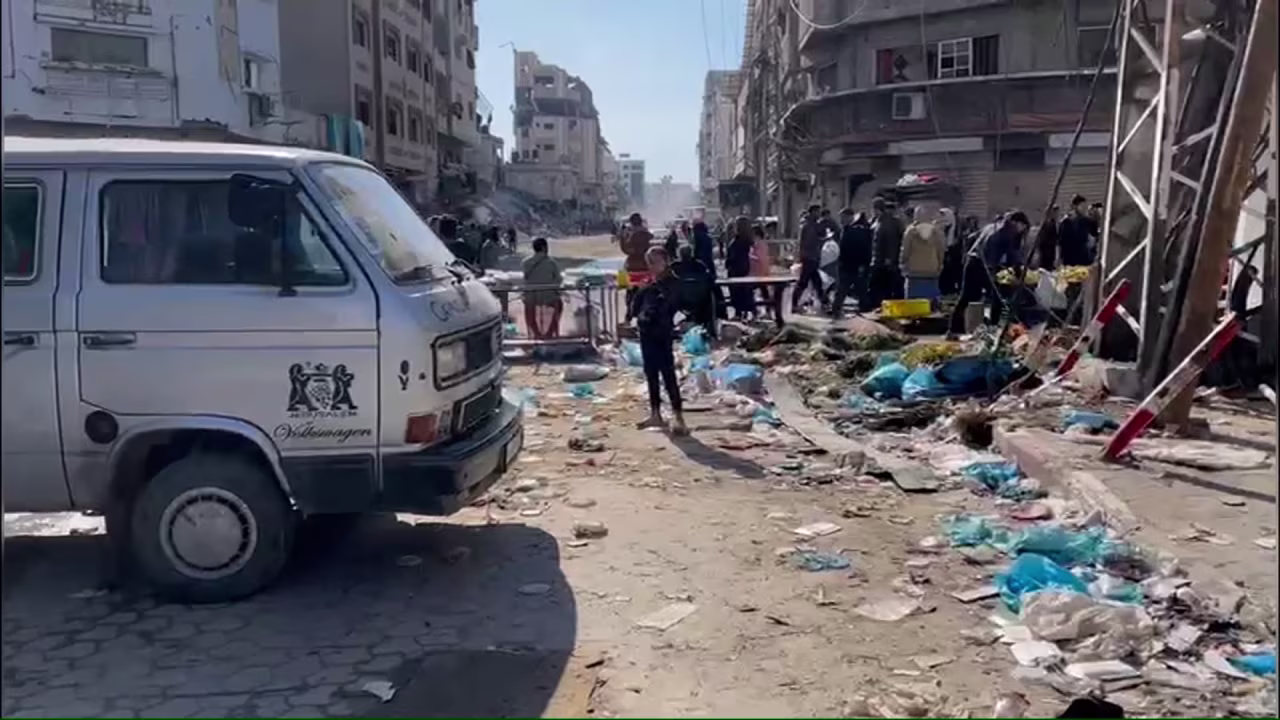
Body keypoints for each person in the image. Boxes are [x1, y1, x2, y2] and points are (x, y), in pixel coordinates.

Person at [630, 246, 688, 435]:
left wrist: (648, 294)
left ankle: (678, 416)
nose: (652, 266)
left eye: (655, 262)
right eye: (649, 262)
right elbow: (636, 307)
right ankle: (655, 413)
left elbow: (668, 305)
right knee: (651, 374)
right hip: (646, 332)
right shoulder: (650, 283)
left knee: (668, 374)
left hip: (662, 333)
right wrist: (638, 293)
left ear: (665, 261)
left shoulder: (671, 283)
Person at [947, 211, 1030, 338]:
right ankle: (993, 328)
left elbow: (971, 238)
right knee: (997, 296)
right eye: (1022, 226)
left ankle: (954, 329)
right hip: (984, 265)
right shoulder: (1007, 232)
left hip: (972, 261)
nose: (1022, 230)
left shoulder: (992, 226)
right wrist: (1019, 273)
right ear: (1016, 223)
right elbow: (1012, 256)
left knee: (966, 297)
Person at [900, 204, 947, 305]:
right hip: (932, 270)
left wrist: (902, 264)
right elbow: (941, 251)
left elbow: (905, 251)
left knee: (913, 303)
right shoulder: (937, 232)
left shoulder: (910, 231)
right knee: (930, 301)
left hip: (914, 271)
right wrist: (939, 265)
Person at [830, 209, 872, 317]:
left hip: (854, 265)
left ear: (850, 217)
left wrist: (863, 263)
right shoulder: (846, 230)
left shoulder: (857, 231)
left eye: (843, 217)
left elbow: (863, 249)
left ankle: (864, 310)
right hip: (847, 265)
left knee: (857, 289)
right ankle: (836, 310)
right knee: (844, 289)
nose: (841, 220)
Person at [671, 245, 717, 338]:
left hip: (680, 300)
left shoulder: (675, 267)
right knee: (711, 294)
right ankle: (710, 327)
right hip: (701, 300)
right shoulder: (699, 265)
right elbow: (710, 279)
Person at [522, 237, 563, 340]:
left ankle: (536, 333)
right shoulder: (552, 263)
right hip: (548, 295)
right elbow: (558, 280)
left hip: (532, 295)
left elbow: (525, 279)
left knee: (528, 307)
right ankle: (549, 333)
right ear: (544, 248)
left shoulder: (525, 262)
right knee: (559, 305)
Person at [869, 198, 905, 308]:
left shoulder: (887, 222)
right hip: (879, 259)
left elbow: (891, 241)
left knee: (887, 285)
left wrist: (889, 258)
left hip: (885, 261)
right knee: (881, 285)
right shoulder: (878, 221)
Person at [792, 204, 827, 314]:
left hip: (812, 257)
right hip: (809, 257)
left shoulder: (814, 225)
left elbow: (821, 235)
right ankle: (794, 304)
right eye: (817, 212)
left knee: (816, 282)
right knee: (805, 282)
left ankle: (824, 303)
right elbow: (807, 242)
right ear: (812, 212)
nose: (819, 214)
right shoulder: (808, 226)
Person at [724, 217, 756, 319]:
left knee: (736, 291)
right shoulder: (748, 241)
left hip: (735, 272)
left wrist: (727, 264)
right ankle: (751, 310)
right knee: (747, 291)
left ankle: (738, 312)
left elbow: (731, 259)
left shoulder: (735, 243)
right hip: (746, 270)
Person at [1058, 195, 1097, 267]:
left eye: (1085, 206)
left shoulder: (1088, 221)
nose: (1084, 208)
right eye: (1082, 206)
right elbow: (1061, 242)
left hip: (1084, 258)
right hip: (1069, 258)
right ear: (1074, 206)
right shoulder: (1066, 222)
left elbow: (1093, 237)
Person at [1034, 205, 1060, 270]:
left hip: (1050, 252)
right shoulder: (1047, 223)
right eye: (1055, 212)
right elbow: (1042, 239)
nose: (1056, 215)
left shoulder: (1053, 223)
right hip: (1046, 253)